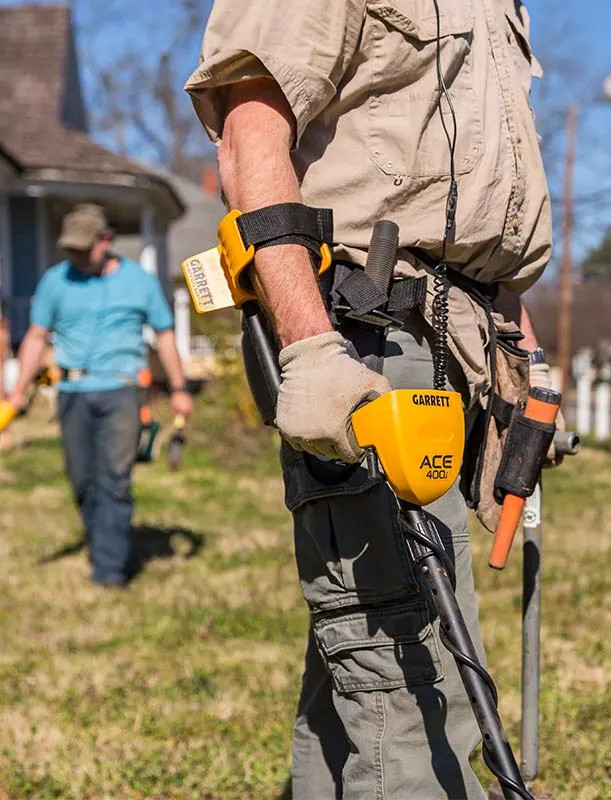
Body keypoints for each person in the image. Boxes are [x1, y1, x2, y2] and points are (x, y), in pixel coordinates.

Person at [185, 1, 554, 796]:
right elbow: (250, 136)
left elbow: (486, 217)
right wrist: (314, 351)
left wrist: (526, 360)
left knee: (366, 642)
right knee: (409, 667)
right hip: (365, 337)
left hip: (462, 337)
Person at [8, 204, 193, 587]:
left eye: (82, 248)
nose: (75, 256)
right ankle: (101, 540)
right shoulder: (55, 282)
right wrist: (16, 393)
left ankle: (108, 570)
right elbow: (35, 338)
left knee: (113, 478)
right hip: (72, 391)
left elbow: (164, 335)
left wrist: (179, 388)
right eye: (70, 249)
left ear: (105, 241)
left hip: (122, 390)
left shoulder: (139, 282)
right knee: (81, 480)